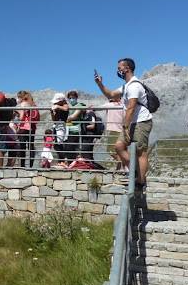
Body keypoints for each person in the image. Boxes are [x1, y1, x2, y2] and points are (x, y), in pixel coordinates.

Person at [94, 58, 153, 191]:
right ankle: (135, 172)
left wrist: (126, 127)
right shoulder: (126, 86)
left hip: (141, 122)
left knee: (141, 153)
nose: (118, 70)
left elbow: (131, 108)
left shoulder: (134, 86)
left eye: (120, 68)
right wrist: (100, 84)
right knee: (118, 147)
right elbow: (111, 94)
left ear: (127, 68)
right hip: (132, 123)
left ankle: (141, 183)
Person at [16, 90, 40, 168]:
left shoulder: (23, 104)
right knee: (31, 146)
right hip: (32, 127)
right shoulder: (31, 104)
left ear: (21, 97)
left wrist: (17, 122)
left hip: (24, 127)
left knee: (22, 147)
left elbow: (22, 117)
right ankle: (31, 165)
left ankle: (22, 165)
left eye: (18, 97)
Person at [50, 93, 70, 167]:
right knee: (56, 143)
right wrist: (52, 111)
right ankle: (61, 161)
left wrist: (57, 106)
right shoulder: (58, 108)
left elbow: (66, 108)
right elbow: (53, 118)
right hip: (56, 125)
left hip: (61, 125)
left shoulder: (64, 105)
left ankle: (65, 159)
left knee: (58, 144)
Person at [65, 90, 85, 162]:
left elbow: (74, 117)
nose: (71, 100)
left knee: (70, 147)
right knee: (67, 147)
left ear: (76, 98)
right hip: (68, 130)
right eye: (70, 98)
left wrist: (66, 118)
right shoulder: (70, 107)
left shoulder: (79, 106)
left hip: (75, 129)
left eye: (73, 98)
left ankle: (72, 162)